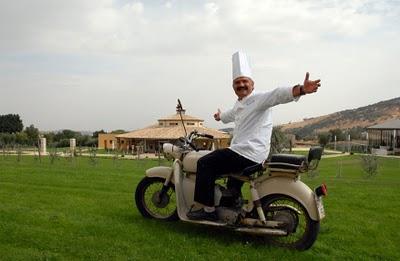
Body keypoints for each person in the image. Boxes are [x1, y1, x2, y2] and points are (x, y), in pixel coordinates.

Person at [187, 51, 321, 221]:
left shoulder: (259, 98)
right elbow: (230, 114)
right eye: (237, 82)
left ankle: (208, 211)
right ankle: (232, 205)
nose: (241, 85)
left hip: (247, 153)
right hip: (247, 153)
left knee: (205, 163)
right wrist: (220, 116)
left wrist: (301, 90)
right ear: (233, 86)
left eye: (245, 81)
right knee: (231, 177)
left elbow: (278, 94)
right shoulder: (240, 104)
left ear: (252, 84)